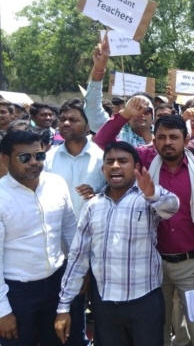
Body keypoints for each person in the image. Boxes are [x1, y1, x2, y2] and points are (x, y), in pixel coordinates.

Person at [94, 108, 194, 346]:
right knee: (155, 332)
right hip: (151, 265)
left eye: (174, 137)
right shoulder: (144, 160)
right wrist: (124, 114)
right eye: (161, 137)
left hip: (192, 265)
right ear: (155, 139)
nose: (167, 143)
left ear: (186, 139)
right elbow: (102, 141)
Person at [55, 141, 179, 345]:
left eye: (123, 161)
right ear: (103, 169)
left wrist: (152, 194)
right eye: (109, 162)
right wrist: (63, 306)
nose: (115, 166)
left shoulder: (147, 200)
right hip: (105, 303)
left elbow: (172, 206)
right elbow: (78, 257)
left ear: (137, 168)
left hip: (145, 300)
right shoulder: (93, 206)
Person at [0, 130, 77, 345]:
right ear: (6, 159)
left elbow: (70, 229)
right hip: (16, 292)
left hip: (56, 284)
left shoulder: (56, 184)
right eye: (25, 157)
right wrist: (2, 311)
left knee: (58, 341)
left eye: (39, 156)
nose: (34, 162)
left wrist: (77, 271)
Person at [44, 98, 105, 346]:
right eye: (63, 119)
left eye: (73, 119)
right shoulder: (48, 158)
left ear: (88, 124)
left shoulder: (103, 158)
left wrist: (98, 195)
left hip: (100, 247)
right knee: (70, 310)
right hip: (63, 250)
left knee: (102, 310)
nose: (66, 123)